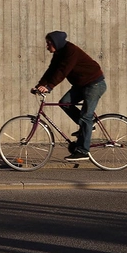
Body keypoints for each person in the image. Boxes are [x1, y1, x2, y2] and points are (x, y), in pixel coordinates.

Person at [33, 31, 106, 161]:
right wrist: (40, 85)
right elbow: (52, 70)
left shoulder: (71, 51)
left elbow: (63, 71)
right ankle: (87, 127)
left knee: (86, 116)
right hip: (81, 85)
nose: (47, 46)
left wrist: (49, 87)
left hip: (94, 84)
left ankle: (83, 151)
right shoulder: (59, 53)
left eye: (49, 43)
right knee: (64, 103)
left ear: (56, 43)